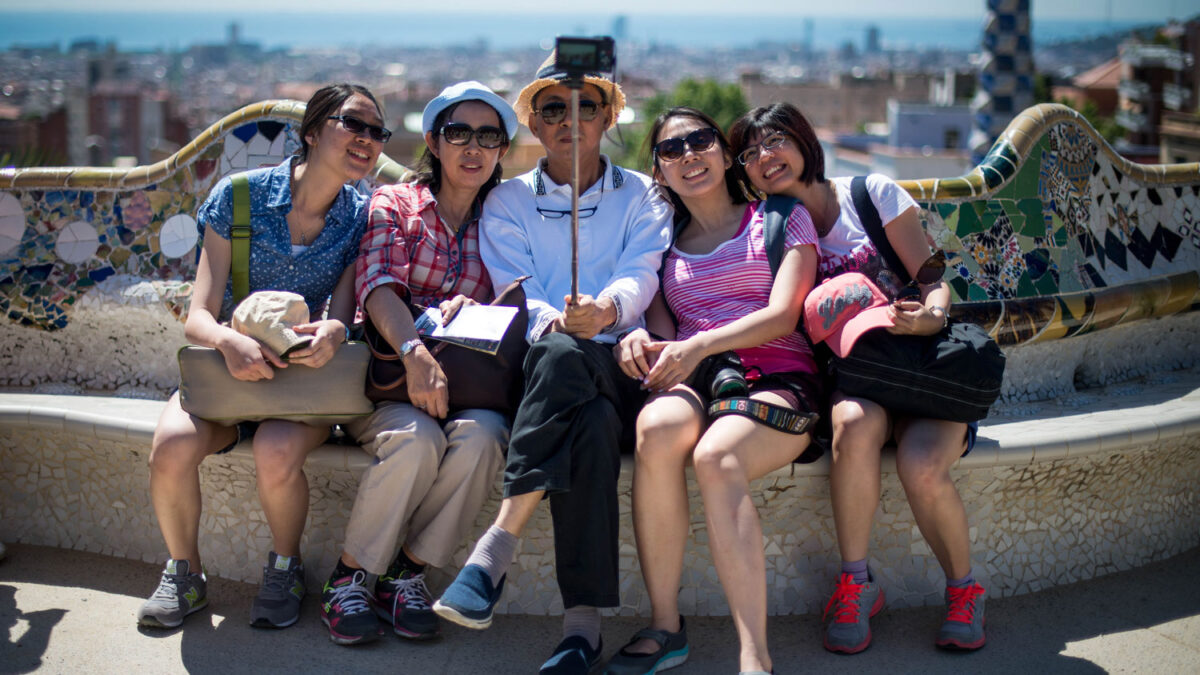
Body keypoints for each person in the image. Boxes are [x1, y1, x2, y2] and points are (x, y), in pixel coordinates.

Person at [432, 54, 672, 674]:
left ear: (609, 116)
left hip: (623, 364)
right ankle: (581, 631)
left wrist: (609, 313)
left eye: (586, 105)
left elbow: (641, 274)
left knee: (578, 367)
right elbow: (520, 293)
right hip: (549, 369)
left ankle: (494, 554)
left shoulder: (646, 194)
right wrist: (564, 323)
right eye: (553, 109)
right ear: (535, 124)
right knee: (584, 416)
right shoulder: (507, 201)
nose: (571, 120)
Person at [730, 102, 986, 653]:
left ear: (803, 141)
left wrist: (930, 316)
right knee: (850, 423)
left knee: (922, 464)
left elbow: (933, 277)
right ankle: (856, 584)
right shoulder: (771, 230)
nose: (764, 157)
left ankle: (965, 589)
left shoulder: (870, 195)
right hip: (855, 382)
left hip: (921, 368)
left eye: (775, 140)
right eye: (749, 154)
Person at [137, 83, 386, 630]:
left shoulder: (363, 217)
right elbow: (198, 313)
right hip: (229, 377)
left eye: (377, 131)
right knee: (171, 446)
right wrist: (230, 341)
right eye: (354, 125)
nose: (368, 139)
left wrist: (334, 332)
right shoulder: (239, 197)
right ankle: (185, 574)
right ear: (314, 131)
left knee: (276, 450)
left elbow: (342, 316)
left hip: (301, 388)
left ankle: (284, 567)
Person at [605, 107, 821, 675]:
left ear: (726, 155)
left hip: (775, 375)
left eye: (700, 141)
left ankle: (754, 657)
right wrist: (637, 340)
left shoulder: (778, 218)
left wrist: (698, 345)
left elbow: (783, 314)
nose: (689, 155)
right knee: (654, 429)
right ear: (660, 172)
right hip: (698, 380)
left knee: (716, 455)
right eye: (671, 150)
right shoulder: (663, 247)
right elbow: (661, 334)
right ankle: (665, 625)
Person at [317, 81, 517, 645]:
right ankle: (349, 578)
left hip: (465, 392)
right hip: (383, 387)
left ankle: (406, 574)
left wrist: (475, 307)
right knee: (417, 440)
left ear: (502, 150)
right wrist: (415, 352)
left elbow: (521, 296)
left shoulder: (501, 222)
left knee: (485, 438)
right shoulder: (395, 202)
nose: (472, 148)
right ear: (433, 141)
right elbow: (377, 285)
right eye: (459, 134)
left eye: (488, 137)